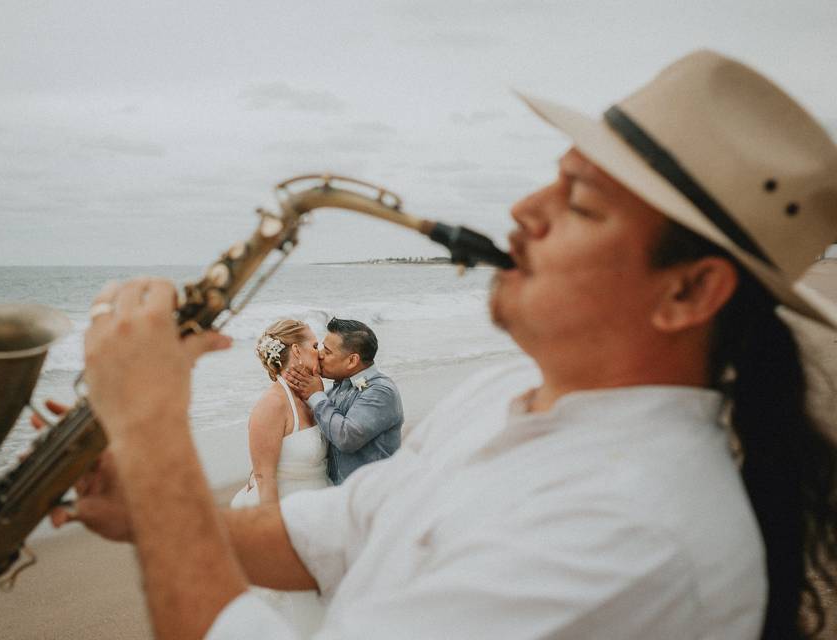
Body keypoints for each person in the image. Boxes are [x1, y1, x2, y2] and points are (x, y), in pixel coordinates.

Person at [62, 50, 837, 638]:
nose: (524, 211)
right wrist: (141, 507)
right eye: (551, 180)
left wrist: (153, 433)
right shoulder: (498, 398)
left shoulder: (632, 534)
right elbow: (320, 541)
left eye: (581, 205)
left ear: (689, 292)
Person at [284, 318, 403, 485]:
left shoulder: (381, 391)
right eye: (320, 348)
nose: (320, 355)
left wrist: (315, 395)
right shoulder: (335, 390)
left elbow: (346, 437)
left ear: (352, 361)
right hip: (340, 495)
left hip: (372, 495)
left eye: (327, 351)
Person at [230, 319, 331, 508]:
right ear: (296, 350)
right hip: (287, 510)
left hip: (320, 503)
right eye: (315, 345)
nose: (320, 352)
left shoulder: (313, 395)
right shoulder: (272, 405)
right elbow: (264, 478)